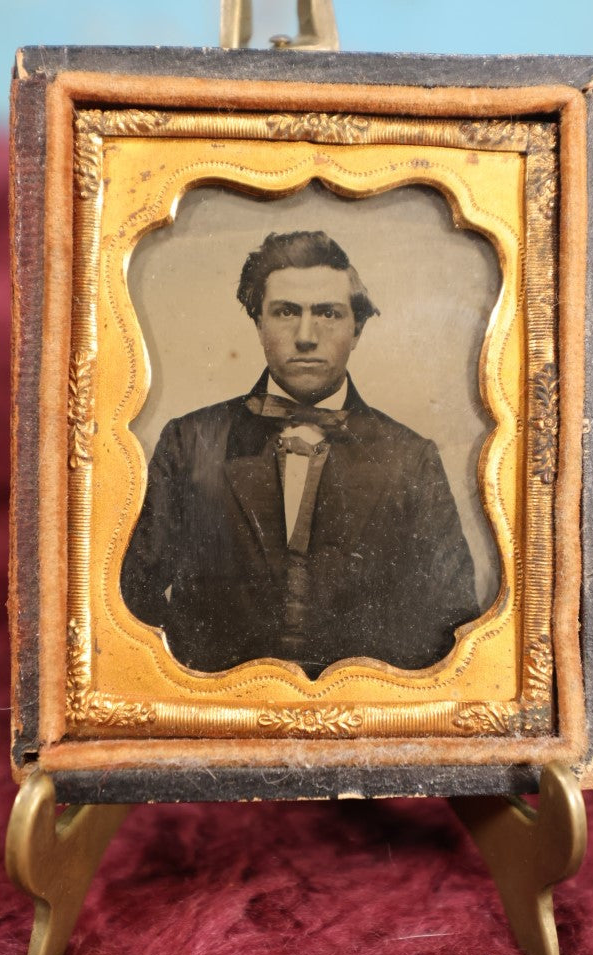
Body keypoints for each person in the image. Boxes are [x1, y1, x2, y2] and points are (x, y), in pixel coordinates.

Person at [121, 230, 479, 678]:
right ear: (258, 323)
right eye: (286, 312)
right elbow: (133, 599)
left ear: (358, 328)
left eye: (328, 313)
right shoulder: (191, 441)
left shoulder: (411, 458)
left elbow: (450, 619)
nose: (306, 336)